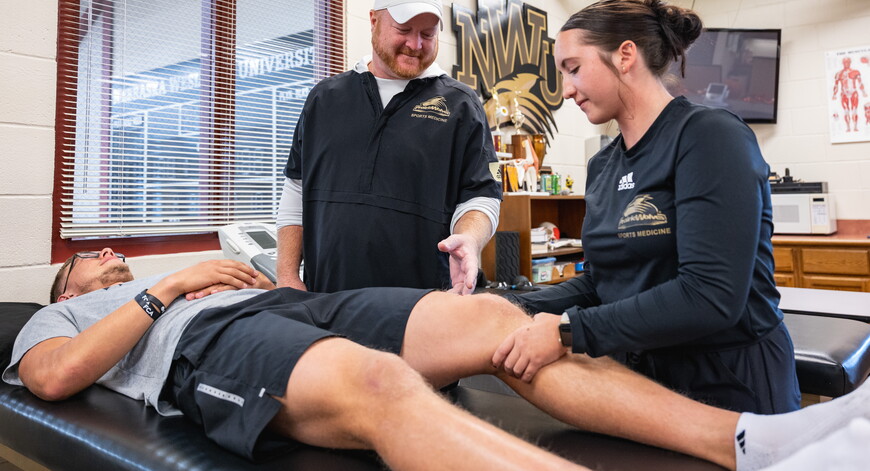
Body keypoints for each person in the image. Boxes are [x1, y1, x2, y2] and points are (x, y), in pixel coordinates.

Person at [5, 248, 870, 471]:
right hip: (205, 345)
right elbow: (52, 378)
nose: (111, 255)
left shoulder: (169, 277)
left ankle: (753, 441)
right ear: (68, 281)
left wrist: (229, 276)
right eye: (93, 257)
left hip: (286, 301)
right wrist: (168, 289)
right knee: (380, 381)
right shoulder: (61, 311)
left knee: (496, 318)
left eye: (120, 258)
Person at [495, 0, 799, 415]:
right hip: (639, 379)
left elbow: (710, 296)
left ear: (624, 56)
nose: (566, 91)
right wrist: (505, 304)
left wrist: (567, 332)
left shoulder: (709, 137)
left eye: (574, 69)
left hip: (728, 381)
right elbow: (604, 284)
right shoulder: (603, 164)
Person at [276, 0, 501, 294]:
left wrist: (470, 238)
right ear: (373, 21)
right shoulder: (325, 98)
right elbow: (296, 188)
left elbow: (482, 194)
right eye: (404, 30)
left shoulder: (461, 105)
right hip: (325, 298)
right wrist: (286, 275)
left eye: (427, 33)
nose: (415, 44)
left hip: (421, 307)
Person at [831, 56, 865, 132]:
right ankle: (848, 127)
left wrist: (863, 92)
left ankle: (855, 127)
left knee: (854, 110)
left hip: (853, 93)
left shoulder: (855, 72)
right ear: (842, 63)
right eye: (845, 62)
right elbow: (836, 85)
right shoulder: (838, 74)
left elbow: (860, 83)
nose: (846, 63)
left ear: (850, 62)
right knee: (846, 111)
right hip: (844, 94)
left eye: (848, 62)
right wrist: (834, 95)